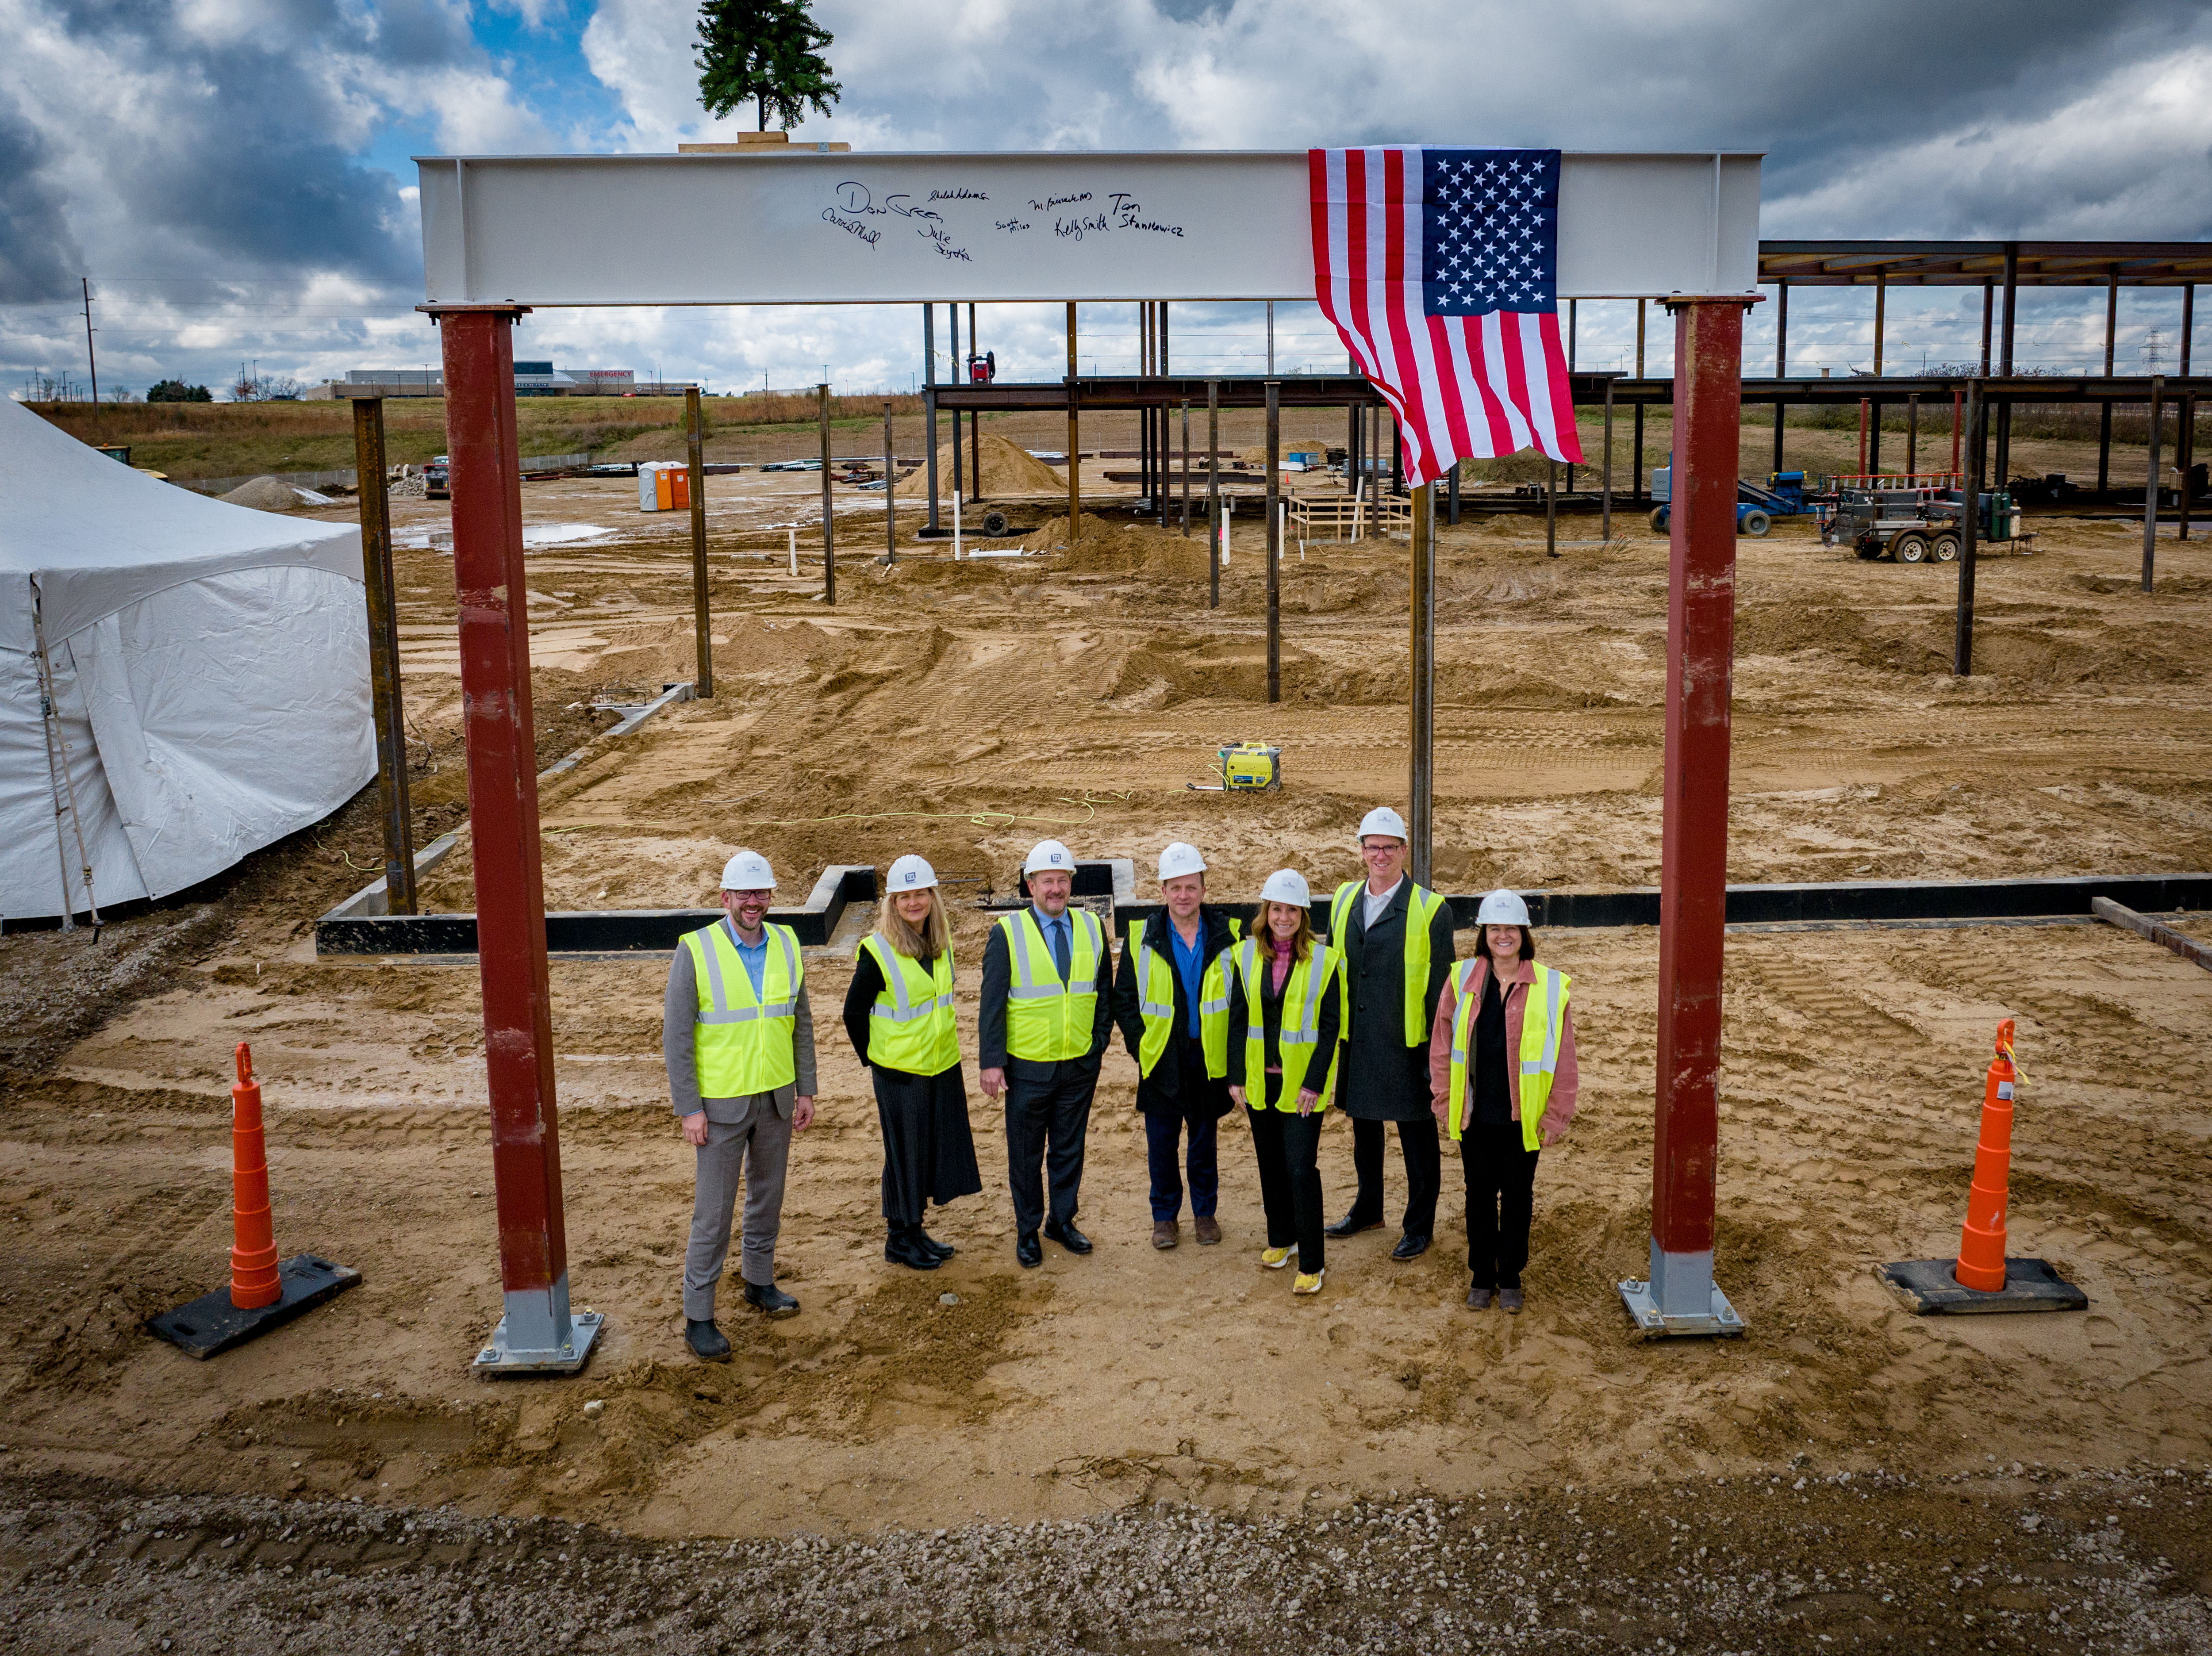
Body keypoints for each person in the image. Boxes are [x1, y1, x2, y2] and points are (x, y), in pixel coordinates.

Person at [665, 850, 816, 1362]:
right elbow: (677, 1037)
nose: (753, 902)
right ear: (724, 898)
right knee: (713, 1214)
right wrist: (690, 1108)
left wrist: (806, 1089)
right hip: (721, 1104)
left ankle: (758, 1282)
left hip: (775, 1098)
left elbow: (800, 1022)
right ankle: (699, 1316)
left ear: (770, 896)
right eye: (743, 894)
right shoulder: (696, 949)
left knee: (766, 1200)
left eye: (761, 893)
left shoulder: (788, 944)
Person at [1429, 889, 1578, 1313]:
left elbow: (1564, 1056)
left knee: (1517, 1196)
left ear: (1523, 934)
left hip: (1522, 1119)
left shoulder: (1550, 986)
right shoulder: (1461, 980)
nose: (1503, 936)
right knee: (1478, 1195)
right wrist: (1444, 1101)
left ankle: (1510, 1276)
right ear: (1484, 934)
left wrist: (1556, 1115)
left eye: (1510, 928)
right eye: (1495, 928)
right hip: (1475, 1114)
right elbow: (1442, 1047)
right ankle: (1481, 1276)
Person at [1324, 805, 1454, 1260]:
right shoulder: (1343, 900)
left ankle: (1418, 1226)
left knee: (1417, 1139)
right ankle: (1368, 1208)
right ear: (1361, 851)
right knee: (1364, 1130)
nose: (1379, 855)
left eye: (1388, 848)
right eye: (1371, 847)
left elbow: (1441, 993)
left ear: (1403, 852)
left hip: (1406, 1043)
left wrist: (1434, 1058)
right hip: (1357, 1038)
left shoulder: (1430, 909)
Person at [842, 854, 982, 1271]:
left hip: (941, 1065)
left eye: (920, 893)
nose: (914, 902)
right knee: (905, 1155)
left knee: (926, 1153)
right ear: (893, 903)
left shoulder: (940, 942)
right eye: (905, 896)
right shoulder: (878, 951)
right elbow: (853, 1013)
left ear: (932, 897)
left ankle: (915, 1231)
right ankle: (899, 1239)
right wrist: (877, 1060)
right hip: (900, 1073)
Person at [979, 839, 1113, 1268]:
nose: (1055, 888)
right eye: (1046, 881)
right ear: (1030, 884)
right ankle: (1027, 1229)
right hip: (1027, 1067)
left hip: (1077, 1063)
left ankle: (1061, 1220)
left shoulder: (1092, 927)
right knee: (1025, 1152)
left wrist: (1097, 1045)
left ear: (1070, 882)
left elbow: (1103, 993)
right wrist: (991, 1061)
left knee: (1068, 1149)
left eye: (1062, 880)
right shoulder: (1007, 933)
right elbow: (992, 1004)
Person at [1111, 842, 1240, 1249]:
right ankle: (1164, 1218)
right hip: (1161, 1056)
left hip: (1208, 1055)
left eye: (1191, 887)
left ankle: (1205, 1214)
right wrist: (1141, 1045)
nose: (1183, 895)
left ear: (1203, 888)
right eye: (1175, 888)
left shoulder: (1228, 934)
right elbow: (1125, 1000)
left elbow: (1241, 1002)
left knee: (1204, 1143)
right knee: (1161, 1146)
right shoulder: (1143, 937)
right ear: (1163, 891)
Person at [1226, 869, 1344, 1296]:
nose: (1284, 917)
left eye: (1292, 910)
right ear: (1266, 912)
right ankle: (1282, 1239)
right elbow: (1238, 1021)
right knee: (1270, 1165)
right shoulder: (1245, 956)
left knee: (1300, 1168)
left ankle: (1312, 1262)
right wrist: (1236, 1076)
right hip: (1261, 1081)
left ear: (1303, 915)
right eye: (1277, 908)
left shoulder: (1325, 962)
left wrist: (1315, 1084)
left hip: (1301, 1087)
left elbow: (1331, 1028)